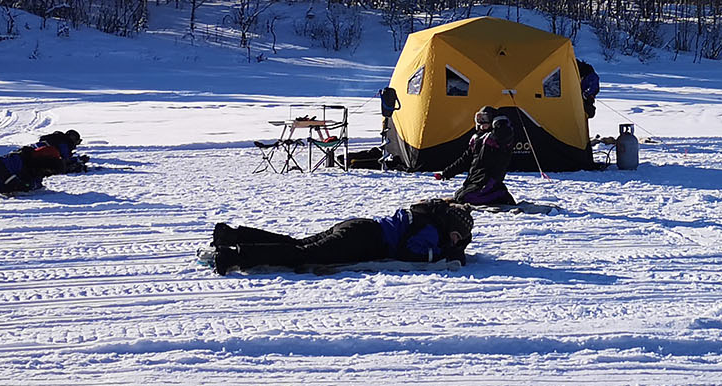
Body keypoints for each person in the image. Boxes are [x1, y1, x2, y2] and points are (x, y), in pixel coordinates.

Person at [205, 198, 474, 274]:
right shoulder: (429, 230)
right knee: (302, 255)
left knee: (298, 243)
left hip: (359, 227)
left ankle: (231, 235)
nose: (453, 243)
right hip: (363, 240)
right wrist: (442, 254)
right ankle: (233, 256)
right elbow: (409, 252)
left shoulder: (427, 214)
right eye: (455, 238)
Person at [437, 106, 516, 205]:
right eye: (479, 119)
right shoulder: (477, 139)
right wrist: (446, 173)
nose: (482, 123)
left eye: (485, 119)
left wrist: (499, 120)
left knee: (466, 198)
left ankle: (500, 194)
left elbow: (504, 133)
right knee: (458, 195)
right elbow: (465, 159)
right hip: (475, 177)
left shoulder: (499, 138)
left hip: (490, 178)